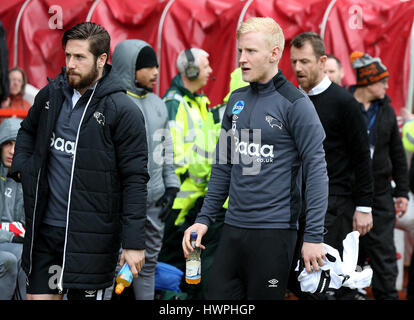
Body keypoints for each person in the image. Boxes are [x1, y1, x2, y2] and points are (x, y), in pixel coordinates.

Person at [182, 17, 329, 300]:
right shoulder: (236, 100)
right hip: (233, 227)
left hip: (274, 233)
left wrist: (313, 236)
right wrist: (204, 219)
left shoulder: (296, 104)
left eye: (250, 51)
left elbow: (317, 172)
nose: (241, 59)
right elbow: (223, 165)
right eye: (240, 51)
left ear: (275, 54)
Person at [9, 22, 149, 300]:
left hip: (89, 240)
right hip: (45, 232)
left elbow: (135, 179)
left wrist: (133, 244)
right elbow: (27, 131)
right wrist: (23, 169)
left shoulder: (123, 110)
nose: (71, 64)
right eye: (68, 56)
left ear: (102, 60)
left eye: (80, 57)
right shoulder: (50, 95)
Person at [289, 32, 374, 300]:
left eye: (305, 61)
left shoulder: (344, 103)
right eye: (293, 62)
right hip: (297, 203)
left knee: (324, 280)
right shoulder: (292, 100)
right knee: (298, 279)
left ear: (322, 61)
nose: (298, 68)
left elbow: (362, 157)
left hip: (335, 203)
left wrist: (364, 207)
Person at [111, 39, 180, 300]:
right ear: (129, 68)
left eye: (157, 66)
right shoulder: (113, 103)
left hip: (153, 202)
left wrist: (171, 185)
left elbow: (166, 146)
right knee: (112, 264)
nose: (155, 72)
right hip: (121, 203)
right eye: (148, 67)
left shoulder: (157, 103)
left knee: (148, 264)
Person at [349, 51, 409, 300]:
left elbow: (397, 153)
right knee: (348, 256)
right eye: (382, 81)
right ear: (368, 82)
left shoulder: (386, 110)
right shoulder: (345, 104)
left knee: (384, 255)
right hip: (348, 196)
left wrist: (402, 192)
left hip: (381, 195)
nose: (386, 85)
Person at [158, 47, 214, 290]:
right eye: (206, 65)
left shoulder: (201, 102)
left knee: (191, 269)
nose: (211, 70)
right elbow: (171, 157)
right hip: (179, 204)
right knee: (170, 267)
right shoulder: (173, 104)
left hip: (196, 201)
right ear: (190, 70)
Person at [0, 117, 26, 299]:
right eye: (7, 143)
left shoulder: (28, 178)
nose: (12, 151)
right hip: (7, 243)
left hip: (17, 243)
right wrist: (12, 233)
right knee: (11, 259)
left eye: (17, 144)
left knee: (33, 257)